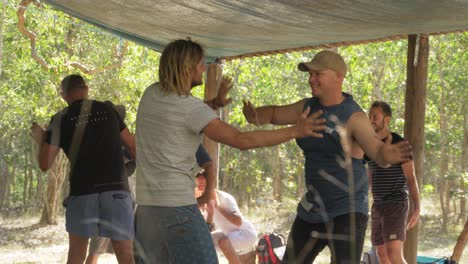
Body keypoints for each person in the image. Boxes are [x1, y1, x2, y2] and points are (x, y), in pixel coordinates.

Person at [133, 38, 327, 264]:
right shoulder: (189, 107)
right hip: (177, 210)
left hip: (146, 211)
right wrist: (296, 130)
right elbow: (241, 139)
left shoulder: (151, 94)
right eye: (199, 63)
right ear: (187, 68)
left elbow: (177, 113)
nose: (203, 68)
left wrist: (214, 103)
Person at [242, 50, 413, 263]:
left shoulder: (354, 116)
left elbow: (377, 150)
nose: (311, 79)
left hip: (347, 208)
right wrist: (256, 115)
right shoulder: (307, 107)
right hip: (313, 207)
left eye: (318, 74)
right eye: (310, 74)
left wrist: (388, 154)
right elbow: (275, 113)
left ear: (338, 77)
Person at [30, 74, 136, 264]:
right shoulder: (108, 110)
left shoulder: (60, 119)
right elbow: (133, 145)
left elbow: (45, 164)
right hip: (116, 190)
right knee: (125, 254)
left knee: (77, 254)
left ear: (64, 95)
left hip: (83, 192)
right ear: (86, 89)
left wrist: (41, 141)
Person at [366, 101, 420, 264]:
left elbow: (411, 178)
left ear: (386, 119)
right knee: (381, 253)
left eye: (375, 116)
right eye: (370, 116)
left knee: (394, 254)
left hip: (396, 203)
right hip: (378, 205)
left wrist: (416, 207)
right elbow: (369, 177)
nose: (371, 119)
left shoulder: (399, 143)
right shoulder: (370, 144)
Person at [85, 103, 136, 264]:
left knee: (126, 251)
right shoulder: (96, 143)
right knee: (97, 249)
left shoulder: (126, 143)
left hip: (121, 201)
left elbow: (131, 167)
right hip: (106, 201)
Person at [196, 172, 257, 264]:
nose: (200, 188)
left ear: (210, 184)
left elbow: (238, 222)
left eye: (202, 184)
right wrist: (198, 209)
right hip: (230, 233)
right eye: (198, 185)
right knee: (204, 241)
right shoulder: (204, 201)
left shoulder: (225, 198)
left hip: (246, 234)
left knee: (223, 242)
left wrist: (218, 207)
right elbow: (205, 229)